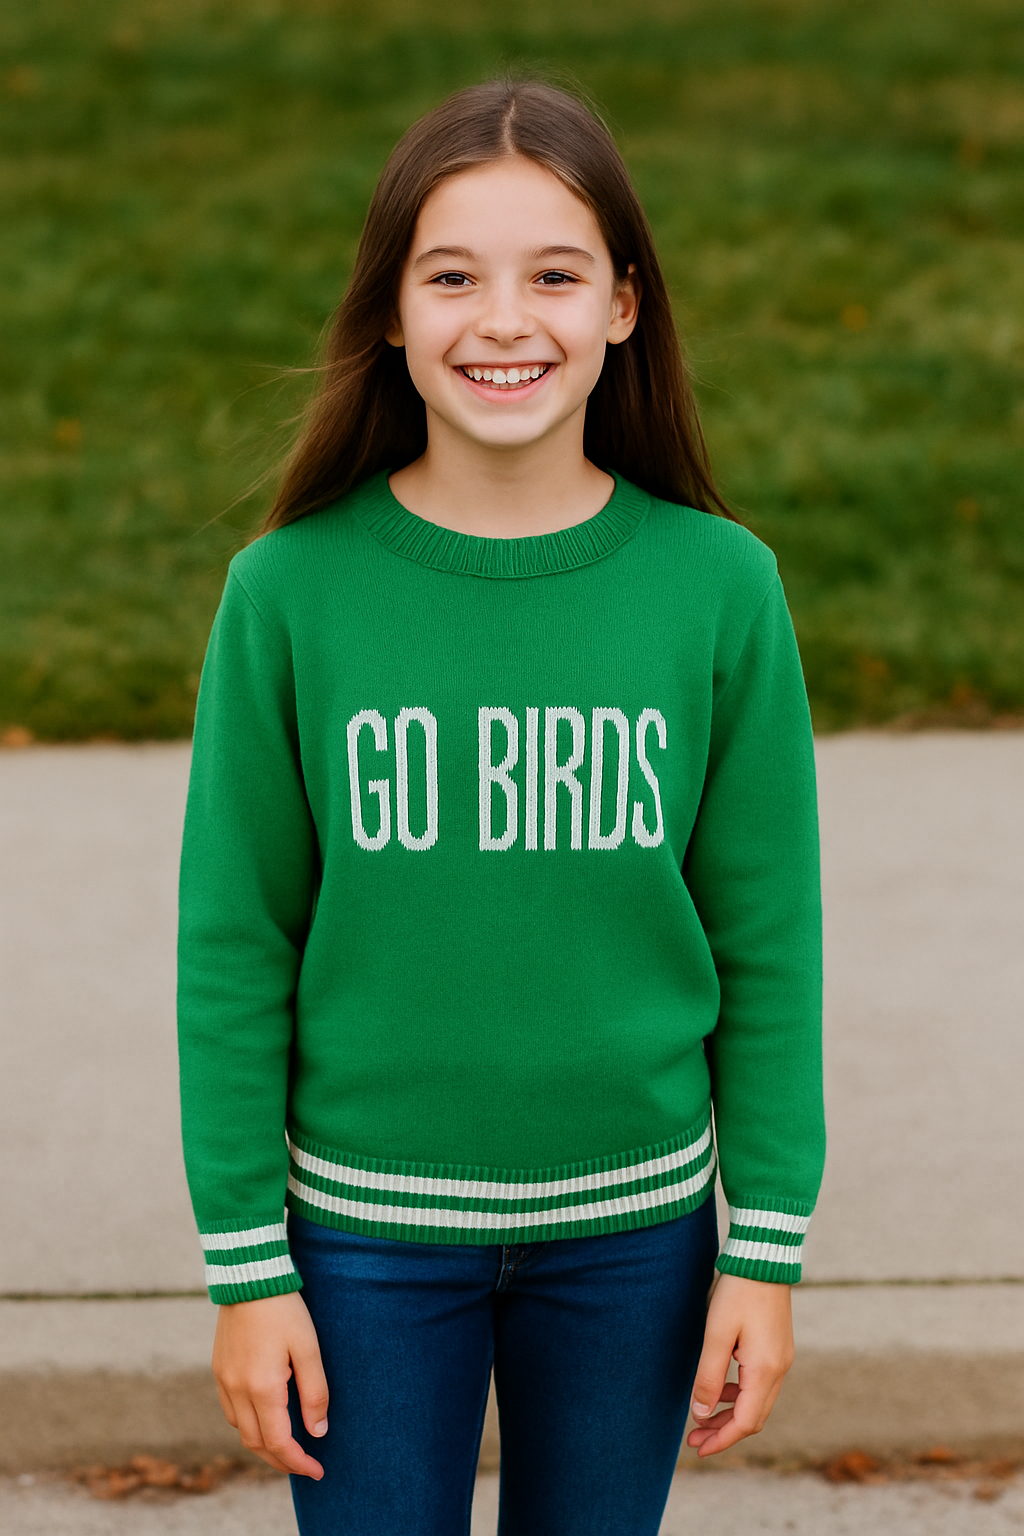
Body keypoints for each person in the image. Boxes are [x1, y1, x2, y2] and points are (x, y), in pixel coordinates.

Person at [176, 76, 826, 1536]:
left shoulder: (722, 588)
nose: (504, 319)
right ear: (391, 314)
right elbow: (235, 946)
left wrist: (765, 1249)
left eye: (556, 274)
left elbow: (771, 941)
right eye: (452, 275)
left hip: (637, 1240)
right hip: (362, 1246)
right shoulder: (288, 596)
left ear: (624, 309)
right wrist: (246, 1270)